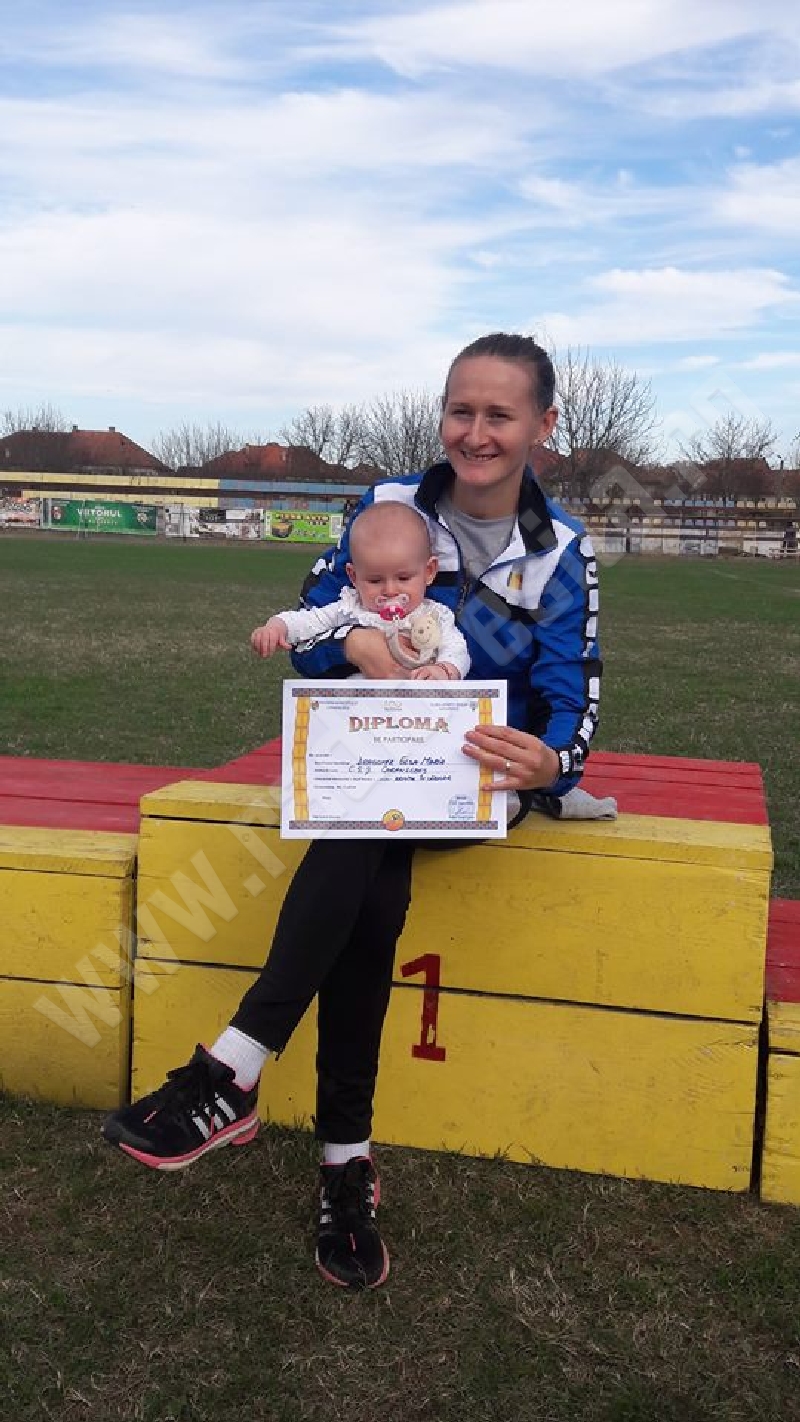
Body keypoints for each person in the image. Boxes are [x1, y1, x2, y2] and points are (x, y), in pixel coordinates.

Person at [103, 332, 602, 1292]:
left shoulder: (563, 550)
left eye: (499, 414)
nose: (476, 432)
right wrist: (355, 651)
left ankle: (235, 1071)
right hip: (365, 764)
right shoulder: (387, 505)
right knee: (370, 881)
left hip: (470, 781)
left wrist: (549, 761)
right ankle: (344, 1161)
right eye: (460, 409)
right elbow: (312, 630)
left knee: (360, 845)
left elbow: (573, 696)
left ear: (543, 425)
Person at [251, 500, 470, 680]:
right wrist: (277, 626)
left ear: (429, 571)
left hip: (418, 712)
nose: (390, 590)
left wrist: (444, 670)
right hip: (358, 711)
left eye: (403, 578)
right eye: (375, 580)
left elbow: (457, 648)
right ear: (353, 576)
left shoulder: (435, 615)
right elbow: (309, 621)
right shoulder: (350, 608)